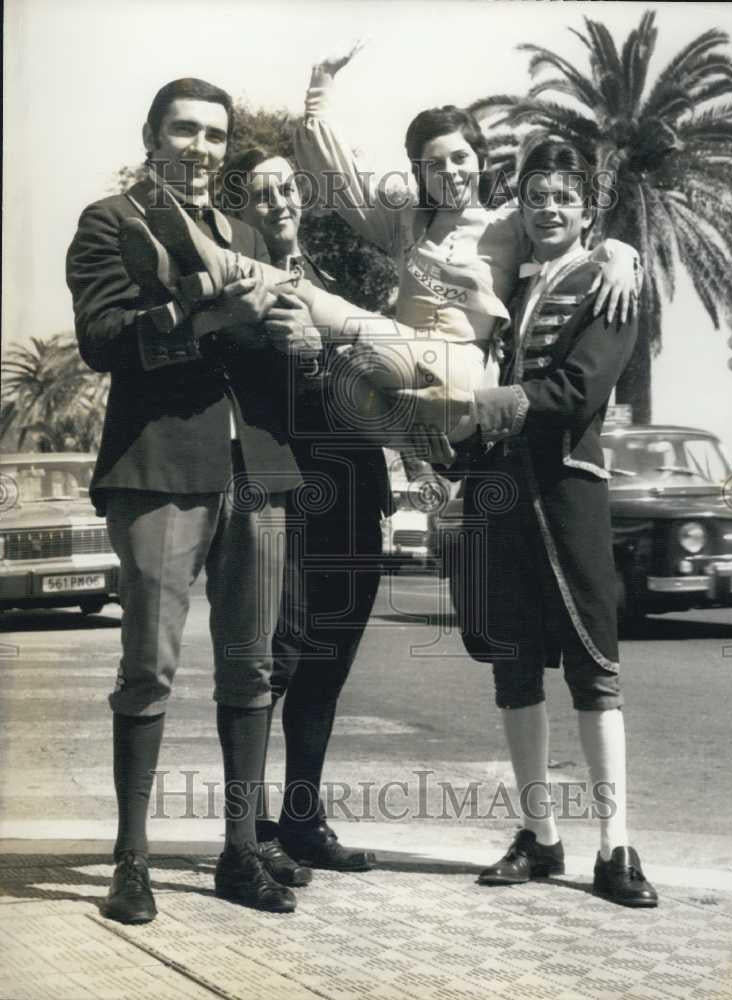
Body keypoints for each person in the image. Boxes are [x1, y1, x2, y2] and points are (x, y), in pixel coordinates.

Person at [119, 44, 640, 447]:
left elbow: (568, 241)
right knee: (343, 358)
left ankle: (220, 265)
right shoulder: (404, 224)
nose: (449, 172)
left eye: (459, 158)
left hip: (463, 366)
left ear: (479, 158)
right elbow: (336, 172)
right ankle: (212, 261)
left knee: (349, 343)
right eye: (433, 164)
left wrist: (621, 255)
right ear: (419, 171)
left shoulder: (511, 223)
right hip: (401, 359)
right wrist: (321, 85)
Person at [66, 77, 310, 923]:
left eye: (214, 135)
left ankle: (240, 853)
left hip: (259, 472)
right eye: (184, 131)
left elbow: (275, 357)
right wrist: (205, 318)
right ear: (151, 135)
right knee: (149, 669)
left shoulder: (248, 236)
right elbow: (102, 340)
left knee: (250, 669)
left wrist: (297, 338)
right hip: (160, 468)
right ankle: (129, 862)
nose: (200, 148)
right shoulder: (111, 222)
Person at [393, 140, 658, 908]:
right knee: (512, 668)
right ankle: (538, 837)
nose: (547, 208)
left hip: (566, 491)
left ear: (586, 210)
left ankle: (616, 848)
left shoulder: (607, 282)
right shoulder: (509, 279)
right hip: (496, 493)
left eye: (564, 198)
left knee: (591, 666)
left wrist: (478, 411)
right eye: (535, 195)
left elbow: (578, 390)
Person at [222, 147, 391, 876]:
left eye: (287, 188)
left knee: (328, 661)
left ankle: (302, 819)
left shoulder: (339, 279)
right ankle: (249, 830)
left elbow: (390, 369)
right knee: (277, 659)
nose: (279, 202)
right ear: (241, 211)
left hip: (355, 488)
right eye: (261, 195)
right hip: (283, 492)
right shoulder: (239, 289)